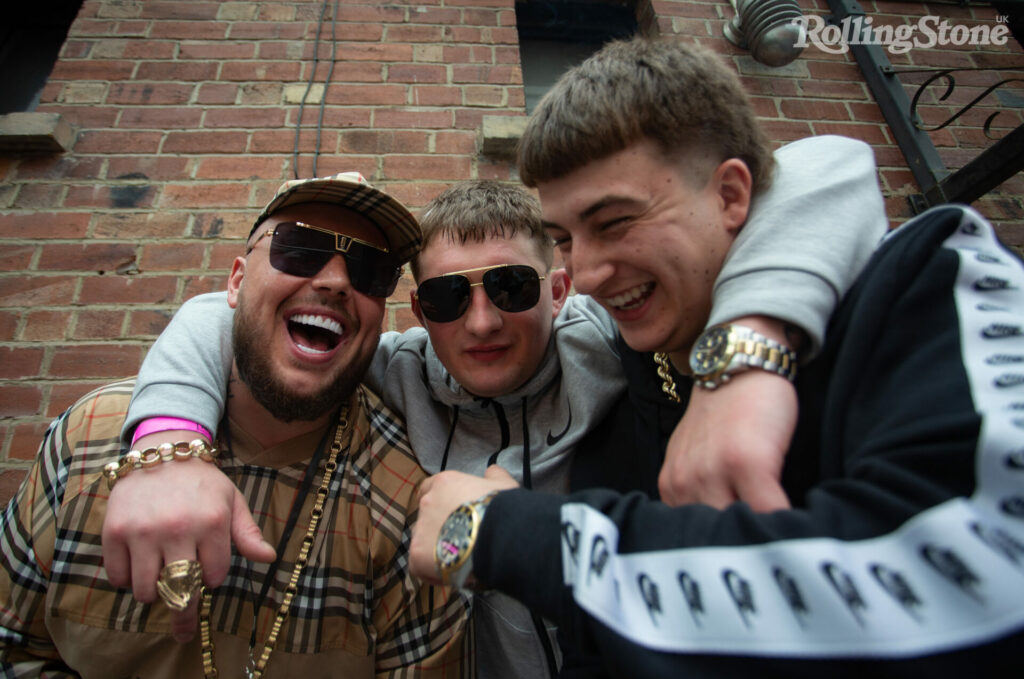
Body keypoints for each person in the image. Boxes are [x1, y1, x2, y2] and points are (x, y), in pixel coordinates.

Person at [102, 148, 884, 679]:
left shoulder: (609, 342)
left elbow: (830, 166)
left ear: (560, 288)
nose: (478, 323)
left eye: (509, 287)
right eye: (447, 297)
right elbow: (226, 313)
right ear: (418, 310)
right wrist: (170, 444)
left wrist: (742, 362)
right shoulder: (394, 365)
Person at [408, 37, 1024, 676]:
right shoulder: (620, 371)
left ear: (732, 194)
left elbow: (989, 581)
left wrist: (497, 534)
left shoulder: (932, 281)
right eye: (565, 240)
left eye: (615, 222)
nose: (585, 275)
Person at [0, 172, 471, 677]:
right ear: (236, 281)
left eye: (370, 269)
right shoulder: (88, 440)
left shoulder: (406, 501)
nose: (335, 280)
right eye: (300, 247)